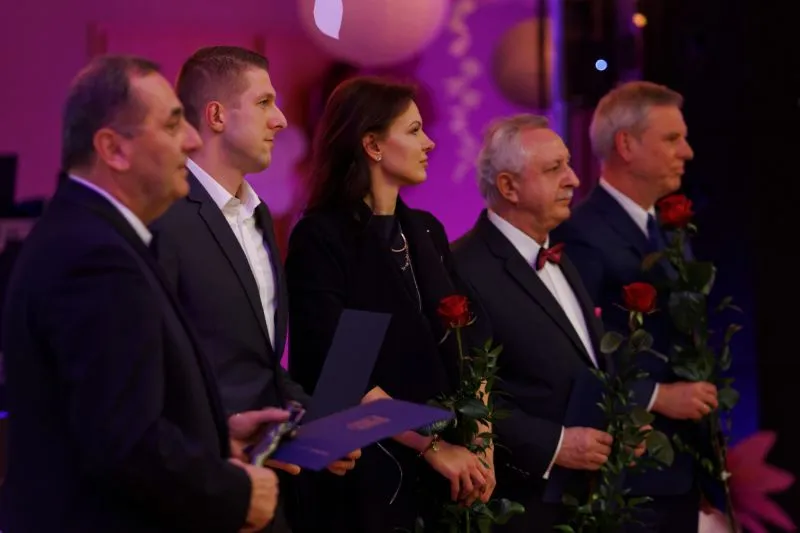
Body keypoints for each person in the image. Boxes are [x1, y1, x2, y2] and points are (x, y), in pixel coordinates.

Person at [0, 55, 284, 533]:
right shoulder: (94, 256)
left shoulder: (92, 234)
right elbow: (123, 442)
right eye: (173, 125)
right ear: (114, 149)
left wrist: (214, 434)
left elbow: (110, 406)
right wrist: (234, 492)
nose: (192, 139)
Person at [150, 46, 359, 532]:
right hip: (196, 488)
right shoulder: (165, 217)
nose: (281, 119)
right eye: (264, 102)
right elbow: (156, 368)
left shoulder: (260, 215)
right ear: (217, 116)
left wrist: (314, 422)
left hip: (265, 481)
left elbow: (258, 361)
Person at [284, 76, 494, 533]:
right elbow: (343, 373)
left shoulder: (427, 230)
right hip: (369, 475)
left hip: (447, 476)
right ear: (373, 145)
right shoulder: (322, 237)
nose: (429, 142)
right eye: (414, 130)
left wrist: (481, 444)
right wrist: (432, 446)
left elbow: (472, 344)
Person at [551, 81, 719, 532]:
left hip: (681, 466)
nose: (687, 152)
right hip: (627, 470)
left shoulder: (668, 230)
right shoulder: (581, 232)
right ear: (626, 144)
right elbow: (574, 348)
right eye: (672, 138)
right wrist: (657, 396)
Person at [452, 114, 623, 533]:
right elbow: (461, 396)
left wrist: (620, 424)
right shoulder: (462, 268)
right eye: (554, 169)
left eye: (568, 164)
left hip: (587, 499)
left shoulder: (559, 256)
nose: (574, 179)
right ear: (508, 187)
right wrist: (555, 444)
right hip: (520, 508)